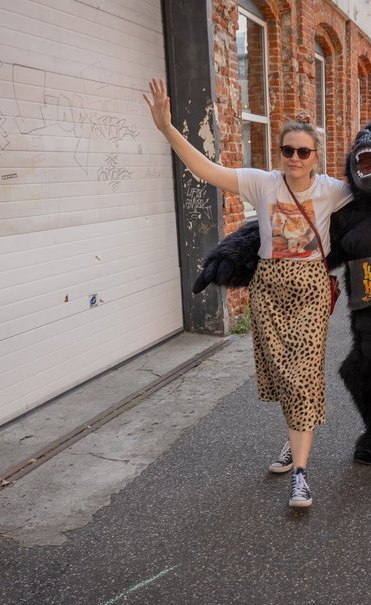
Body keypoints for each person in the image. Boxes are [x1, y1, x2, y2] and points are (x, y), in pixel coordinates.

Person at [144, 79, 352, 508]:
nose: (294, 158)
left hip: (311, 287)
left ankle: (300, 474)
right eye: (287, 150)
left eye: (303, 152)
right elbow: (206, 170)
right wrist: (167, 128)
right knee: (281, 374)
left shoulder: (332, 191)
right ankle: (294, 442)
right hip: (269, 288)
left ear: (316, 157)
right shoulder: (263, 183)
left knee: (303, 376)